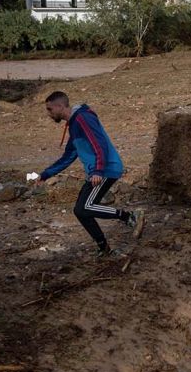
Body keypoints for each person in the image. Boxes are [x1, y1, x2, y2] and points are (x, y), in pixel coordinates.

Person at [36, 91, 144, 255]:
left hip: (106, 169)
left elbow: (99, 143)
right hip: (97, 172)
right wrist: (45, 175)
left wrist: (98, 170)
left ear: (60, 106)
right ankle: (104, 248)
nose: (48, 113)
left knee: (84, 207)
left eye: (50, 109)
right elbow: (68, 156)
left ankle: (129, 216)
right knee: (81, 211)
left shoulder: (83, 118)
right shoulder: (74, 124)